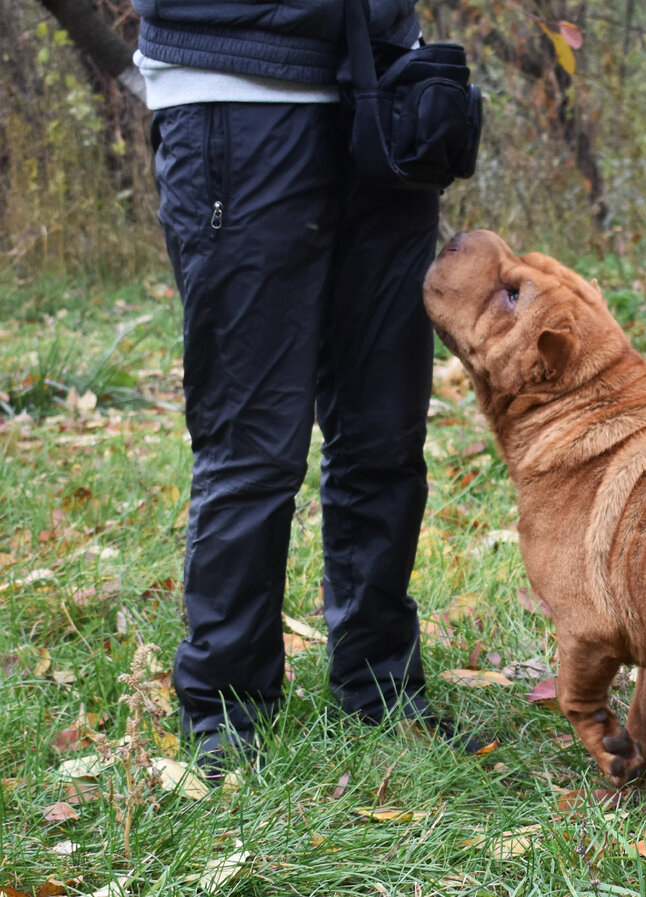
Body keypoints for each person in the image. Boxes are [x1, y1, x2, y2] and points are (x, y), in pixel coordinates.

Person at [132, 0, 477, 768]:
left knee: (387, 429)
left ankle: (381, 684)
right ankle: (224, 705)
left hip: (387, 86)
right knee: (253, 444)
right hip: (234, 87)